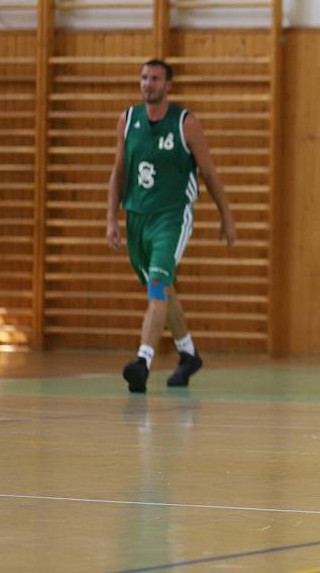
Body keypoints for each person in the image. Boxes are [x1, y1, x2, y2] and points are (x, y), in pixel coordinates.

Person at [106, 59, 236, 393]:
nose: (148, 84)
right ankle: (189, 354)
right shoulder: (127, 119)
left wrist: (227, 215)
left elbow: (208, 171)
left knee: (158, 284)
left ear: (169, 86)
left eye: (155, 79)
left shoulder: (186, 123)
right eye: (144, 78)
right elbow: (119, 171)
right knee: (162, 290)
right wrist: (111, 219)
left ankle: (142, 362)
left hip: (172, 218)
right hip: (136, 217)